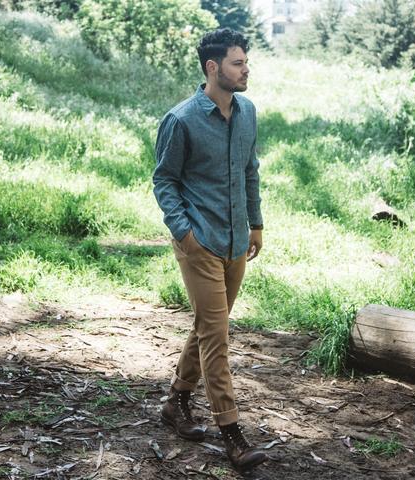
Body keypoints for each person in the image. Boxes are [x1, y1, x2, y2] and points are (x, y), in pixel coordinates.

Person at [152, 28, 266, 472]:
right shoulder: (181, 120)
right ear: (213, 67)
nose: (246, 70)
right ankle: (232, 433)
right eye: (238, 63)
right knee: (217, 339)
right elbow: (164, 180)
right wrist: (185, 233)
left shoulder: (248, 111)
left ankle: (176, 401)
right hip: (200, 244)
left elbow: (250, 170)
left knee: (207, 329)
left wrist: (256, 224)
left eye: (246, 62)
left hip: (237, 241)